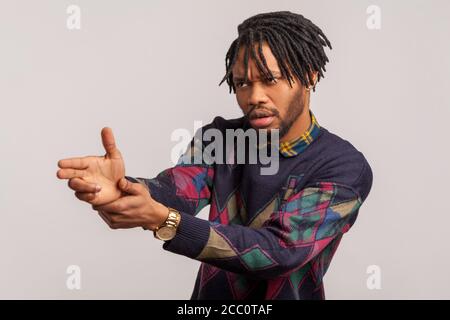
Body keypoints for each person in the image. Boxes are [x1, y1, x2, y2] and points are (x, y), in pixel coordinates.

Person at [56, 11, 373, 300]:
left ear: (311, 75)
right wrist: (125, 187)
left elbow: (278, 251)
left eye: (270, 79)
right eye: (242, 83)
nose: (254, 97)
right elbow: (178, 189)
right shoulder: (221, 138)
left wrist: (166, 221)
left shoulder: (343, 167)